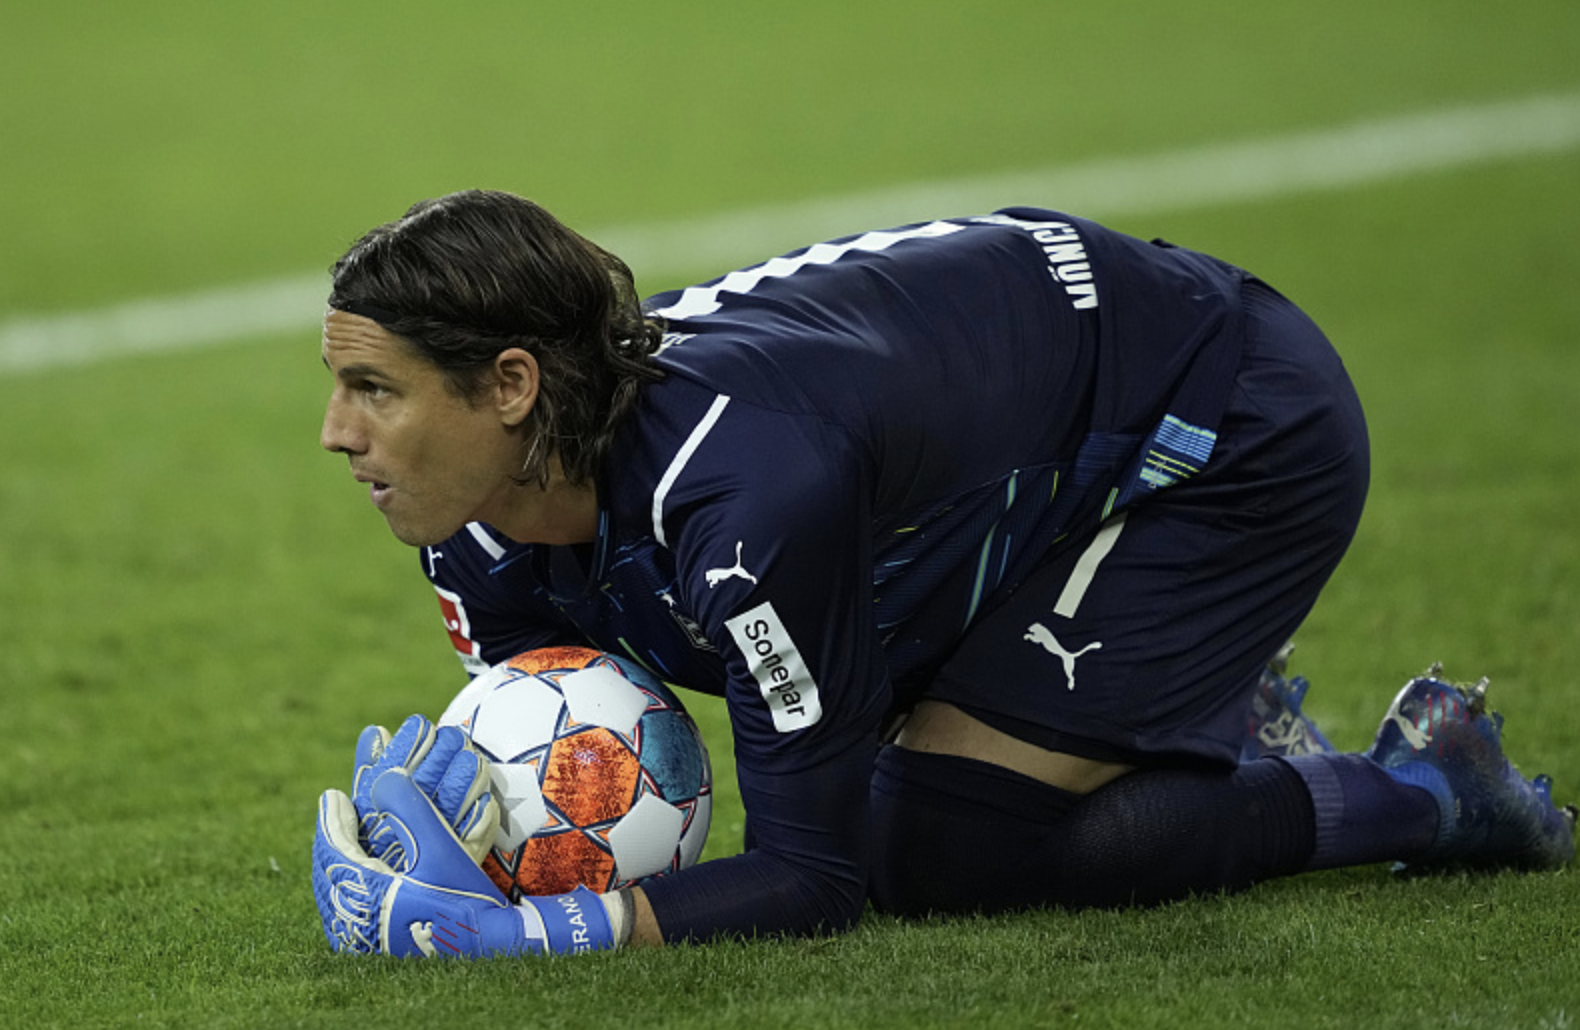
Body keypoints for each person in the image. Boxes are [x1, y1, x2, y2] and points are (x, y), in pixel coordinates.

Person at [310, 189, 1574, 957]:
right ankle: (1187, 713)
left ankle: (1419, 786)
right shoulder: (470, 513)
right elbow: (560, 710)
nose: (336, 432)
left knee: (936, 846)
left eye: (373, 389)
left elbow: (816, 879)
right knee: (885, 762)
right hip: (1009, 454)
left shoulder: (741, 504)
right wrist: (479, 828)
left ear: (512, 386)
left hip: (1217, 418)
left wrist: (529, 932)